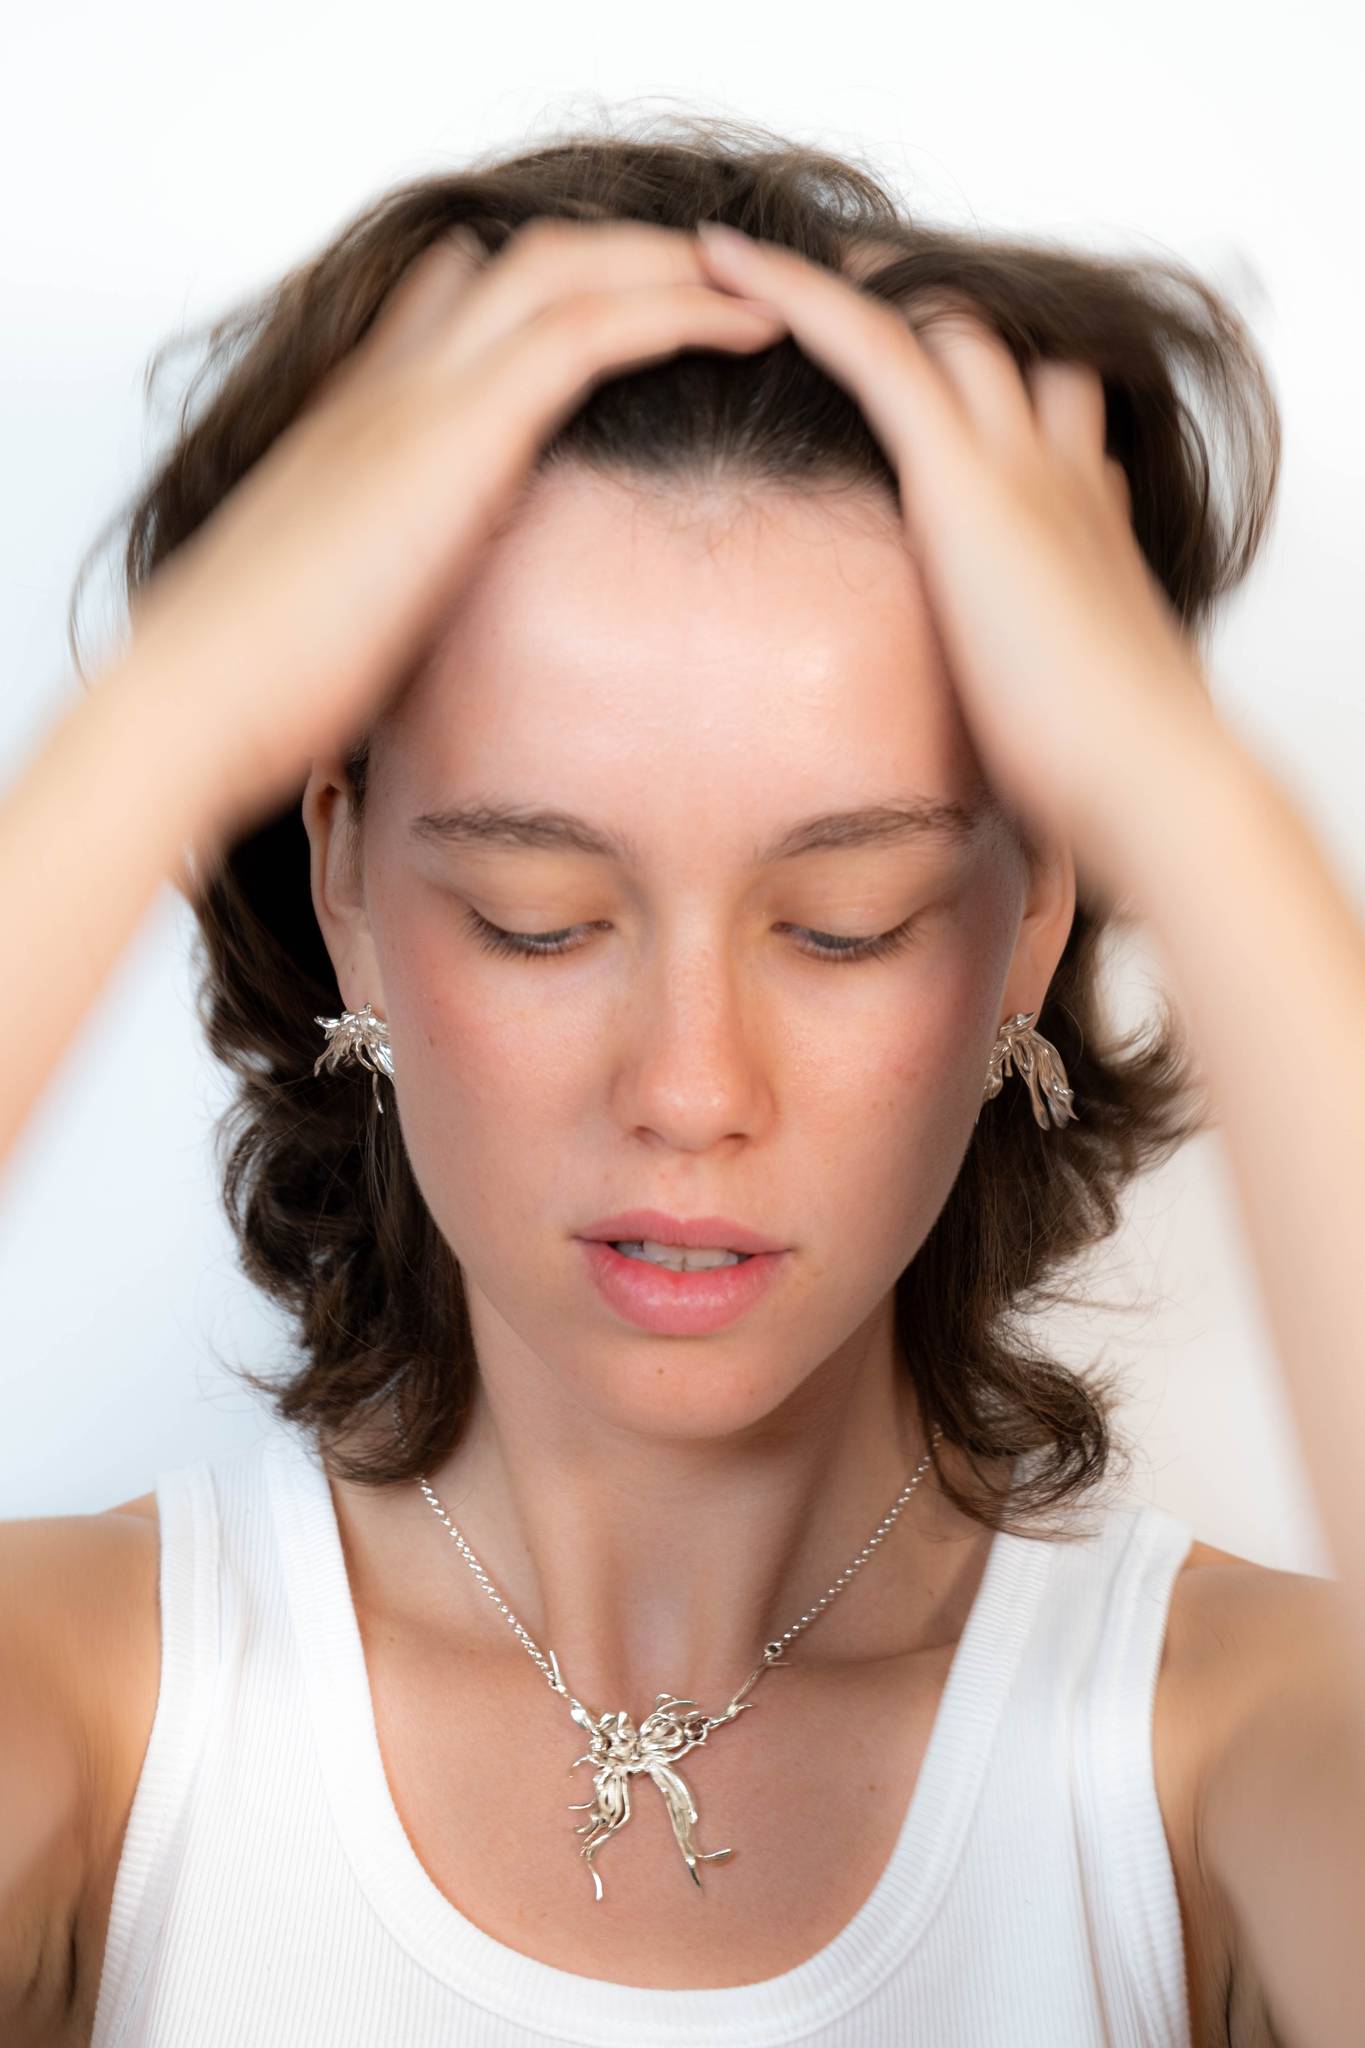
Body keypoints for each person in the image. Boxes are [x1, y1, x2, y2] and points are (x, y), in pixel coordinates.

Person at [3, 112, 1364, 2048]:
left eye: (847, 921)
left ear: (1026, 925)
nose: (689, 1088)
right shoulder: (87, 1714)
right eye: (539, 915)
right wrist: (170, 710)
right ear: (348, 891)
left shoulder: (1231, 1760)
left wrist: (1185, 793)